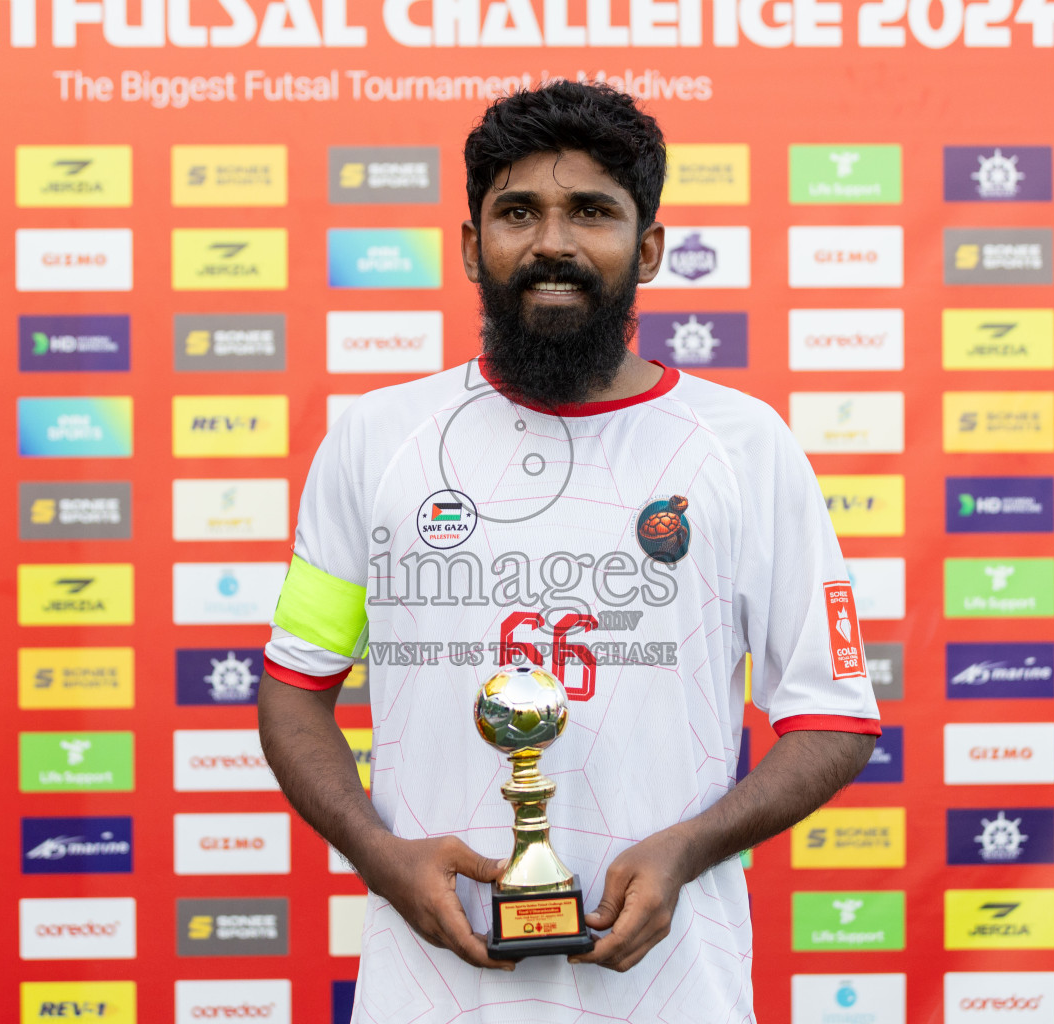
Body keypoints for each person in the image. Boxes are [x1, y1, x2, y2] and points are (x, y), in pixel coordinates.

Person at [258, 80, 880, 1023]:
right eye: (518, 212)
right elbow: (296, 685)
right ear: (473, 246)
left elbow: (833, 717)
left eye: (591, 210)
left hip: (674, 993)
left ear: (650, 247)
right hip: (431, 993)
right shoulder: (375, 440)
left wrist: (689, 849)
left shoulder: (744, 446)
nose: (553, 241)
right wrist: (380, 858)